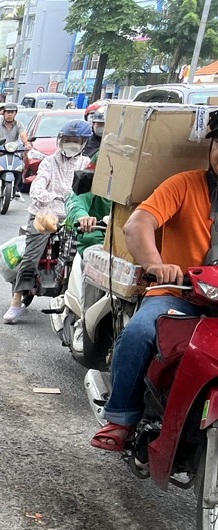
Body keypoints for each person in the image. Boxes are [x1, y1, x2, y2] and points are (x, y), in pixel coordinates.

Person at [91, 112, 218, 451]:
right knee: (141, 332)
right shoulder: (184, 184)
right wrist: (157, 264)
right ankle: (121, 417)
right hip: (178, 294)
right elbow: (139, 224)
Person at [3, 120, 92, 323]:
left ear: (83, 143)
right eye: (67, 140)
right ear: (60, 141)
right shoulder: (49, 162)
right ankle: (16, 301)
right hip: (45, 214)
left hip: (72, 217)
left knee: (85, 256)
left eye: (75, 141)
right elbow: (38, 185)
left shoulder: (86, 164)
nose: (71, 144)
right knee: (31, 257)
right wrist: (46, 195)